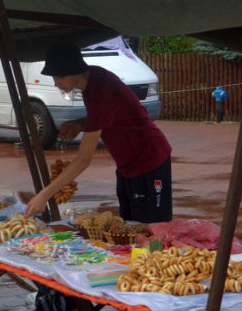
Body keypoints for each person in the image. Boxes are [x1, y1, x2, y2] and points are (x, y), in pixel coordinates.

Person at [24, 42, 172, 223]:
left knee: (153, 227)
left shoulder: (101, 89)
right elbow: (110, 114)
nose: (56, 82)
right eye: (54, 76)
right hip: (127, 165)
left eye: (61, 76)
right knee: (129, 225)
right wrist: (80, 123)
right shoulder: (92, 80)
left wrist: (44, 196)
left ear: (76, 70)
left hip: (149, 159)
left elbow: (83, 160)